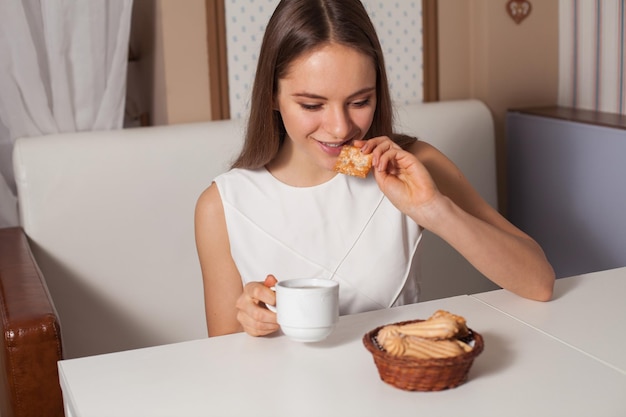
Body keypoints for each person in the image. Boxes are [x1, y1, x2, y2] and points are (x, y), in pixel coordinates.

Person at [195, 0, 555, 338]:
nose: (339, 127)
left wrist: (434, 210)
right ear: (271, 95)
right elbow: (226, 366)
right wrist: (251, 324)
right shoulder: (222, 206)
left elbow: (538, 282)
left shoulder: (412, 167)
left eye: (360, 101)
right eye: (311, 104)